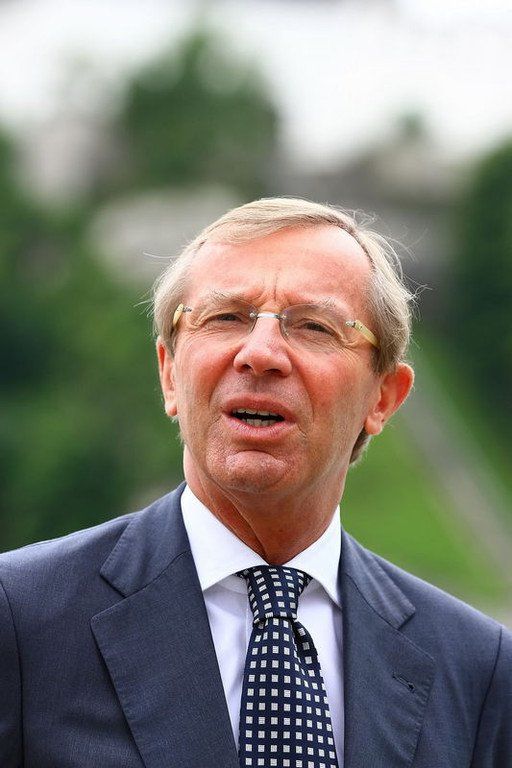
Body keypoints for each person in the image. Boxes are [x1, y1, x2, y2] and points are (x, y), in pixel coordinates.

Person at [0, 197, 510, 767]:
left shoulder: (479, 670)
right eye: (225, 318)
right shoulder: (20, 620)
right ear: (169, 373)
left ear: (383, 397)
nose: (261, 353)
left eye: (314, 326)